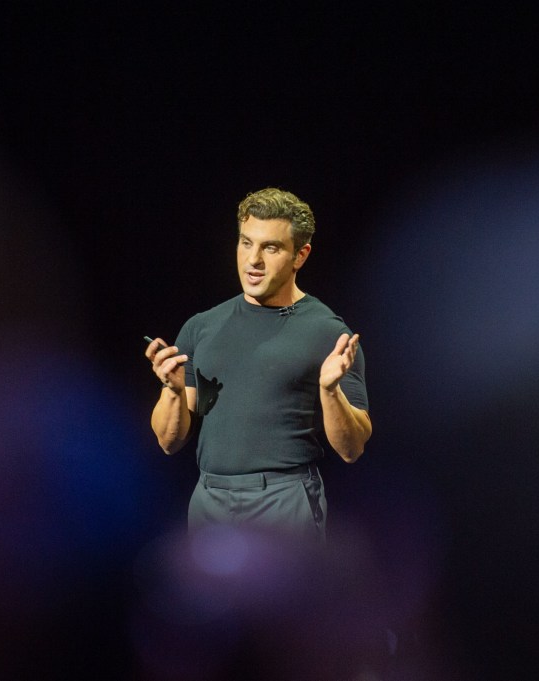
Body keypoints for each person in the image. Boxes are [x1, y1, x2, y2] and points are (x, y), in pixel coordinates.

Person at [145, 187, 371, 541]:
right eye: (246, 243)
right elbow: (168, 441)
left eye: (271, 247)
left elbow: (352, 448)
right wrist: (173, 390)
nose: (253, 260)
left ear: (300, 255)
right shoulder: (202, 327)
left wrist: (329, 390)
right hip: (211, 498)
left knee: (286, 598)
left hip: (284, 499)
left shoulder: (328, 332)